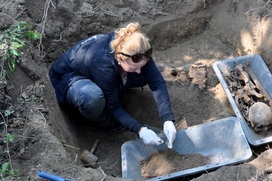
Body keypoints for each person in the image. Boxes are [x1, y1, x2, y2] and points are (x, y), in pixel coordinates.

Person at [49, 22, 177, 147]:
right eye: (134, 68)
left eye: (141, 67)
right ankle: (105, 123)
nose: (138, 71)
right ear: (119, 58)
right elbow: (114, 107)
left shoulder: (139, 50)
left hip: (104, 73)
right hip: (70, 78)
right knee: (92, 98)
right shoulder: (104, 65)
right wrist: (140, 130)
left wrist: (168, 120)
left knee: (147, 73)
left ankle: (118, 85)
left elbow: (157, 82)